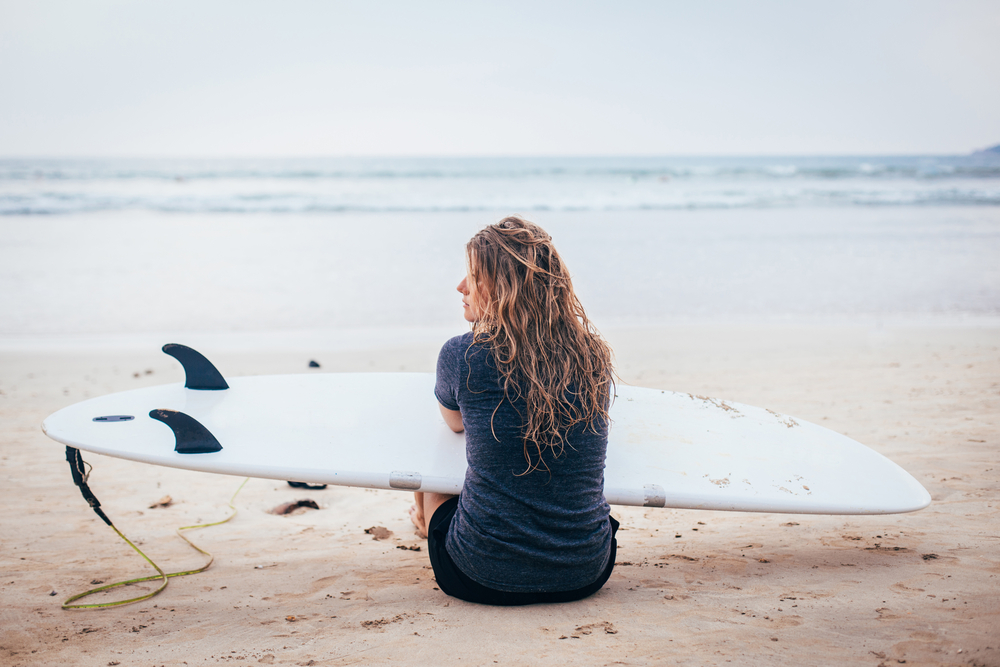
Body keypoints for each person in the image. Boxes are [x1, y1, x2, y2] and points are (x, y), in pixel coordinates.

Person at [409, 216, 619, 605]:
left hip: (479, 574)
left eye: (473, 276)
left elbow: (453, 423)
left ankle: (424, 524)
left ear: (503, 288)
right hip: (586, 570)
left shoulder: (462, 353)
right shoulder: (592, 354)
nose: (461, 287)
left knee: (436, 471)